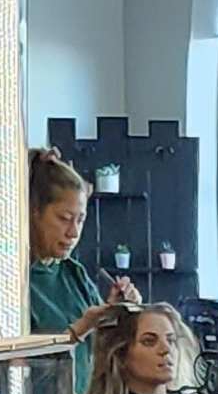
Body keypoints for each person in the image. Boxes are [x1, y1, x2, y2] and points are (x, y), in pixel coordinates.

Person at [25, 151, 137, 363]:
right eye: (64, 218)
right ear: (34, 212)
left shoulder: (74, 274)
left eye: (81, 220)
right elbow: (18, 361)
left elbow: (101, 348)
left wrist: (115, 312)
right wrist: (79, 330)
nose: (74, 232)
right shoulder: (16, 283)